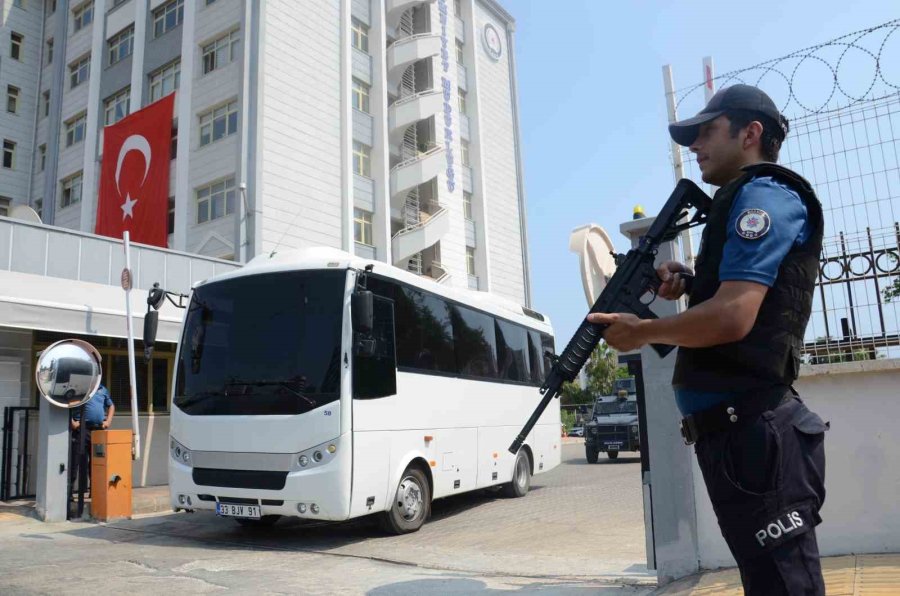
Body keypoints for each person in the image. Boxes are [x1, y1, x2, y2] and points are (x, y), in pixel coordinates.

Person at [589, 84, 829, 595]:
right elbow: (745, 298)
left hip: (755, 431)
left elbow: (734, 317)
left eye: (707, 132)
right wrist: (694, 283)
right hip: (738, 434)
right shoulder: (740, 199)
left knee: (785, 586)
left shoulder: (765, 196)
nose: (694, 145)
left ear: (750, 133)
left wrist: (642, 331)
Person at [70, 383, 115, 488]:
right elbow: (68, 404)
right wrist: (72, 422)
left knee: (97, 461)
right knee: (75, 460)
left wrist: (108, 421)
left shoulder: (102, 389)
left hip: (98, 430)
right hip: (82, 429)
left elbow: (111, 405)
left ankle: (95, 491)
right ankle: (69, 491)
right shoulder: (80, 387)